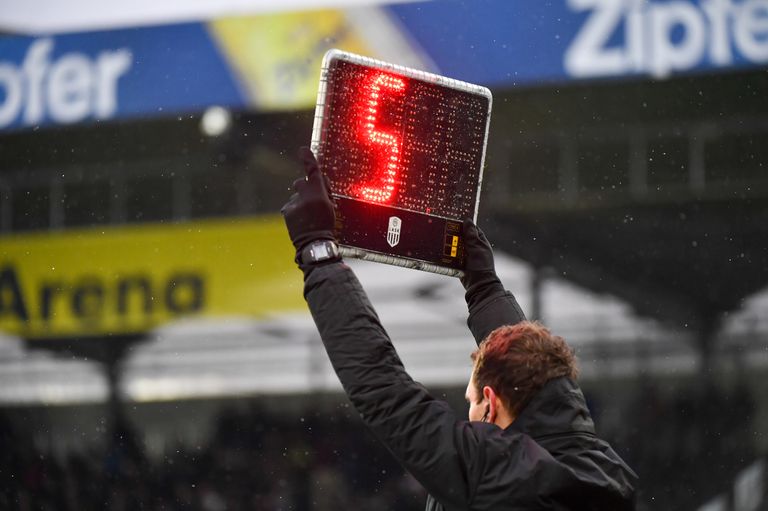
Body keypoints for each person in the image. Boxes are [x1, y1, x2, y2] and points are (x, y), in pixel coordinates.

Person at [281, 147, 637, 510]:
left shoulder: (499, 475)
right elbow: (543, 386)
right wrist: (483, 288)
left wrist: (318, 254)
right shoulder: (603, 471)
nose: (468, 415)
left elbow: (386, 393)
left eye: (471, 402)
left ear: (491, 404)